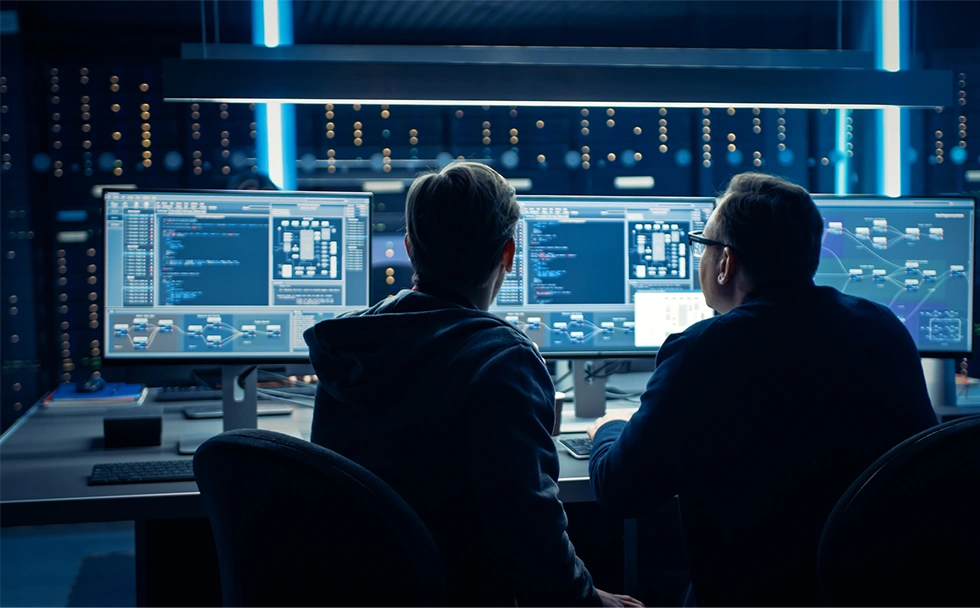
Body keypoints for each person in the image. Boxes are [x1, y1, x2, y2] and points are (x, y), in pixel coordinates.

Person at [587, 172, 937, 607]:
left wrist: (607, 428)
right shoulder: (883, 327)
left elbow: (620, 491)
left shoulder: (703, 350)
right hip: (873, 587)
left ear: (725, 262)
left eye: (703, 243)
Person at [304, 162, 643, 608]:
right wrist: (592, 601)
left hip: (361, 590)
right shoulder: (502, 360)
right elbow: (530, 540)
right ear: (508, 253)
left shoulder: (348, 345)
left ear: (409, 248)